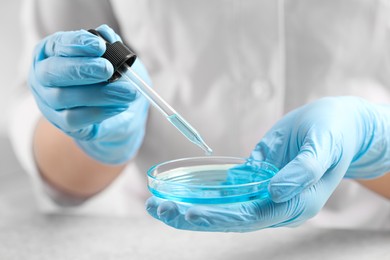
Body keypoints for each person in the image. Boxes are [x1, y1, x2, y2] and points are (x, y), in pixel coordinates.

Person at [9, 0, 390, 231]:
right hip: (144, 234)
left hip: (361, 237)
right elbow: (45, 115)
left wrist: (373, 144)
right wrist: (97, 134)